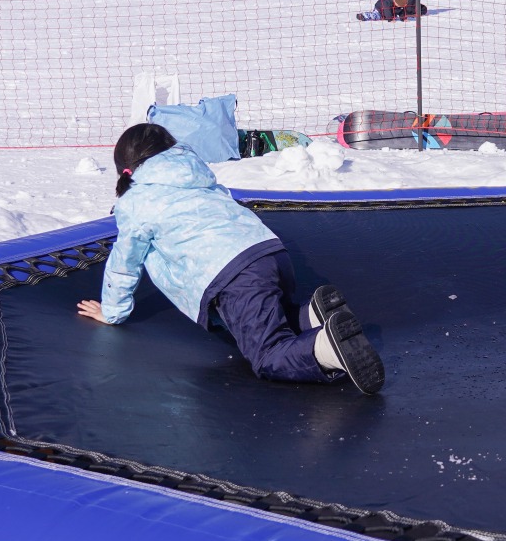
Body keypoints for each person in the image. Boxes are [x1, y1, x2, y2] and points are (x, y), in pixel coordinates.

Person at [77, 122, 383, 394]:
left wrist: (113, 312)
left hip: (232, 275)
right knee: (260, 317)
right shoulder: (196, 175)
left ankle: (327, 347)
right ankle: (312, 315)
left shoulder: (136, 201)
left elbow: (124, 263)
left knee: (268, 355)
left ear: (127, 169)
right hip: (269, 252)